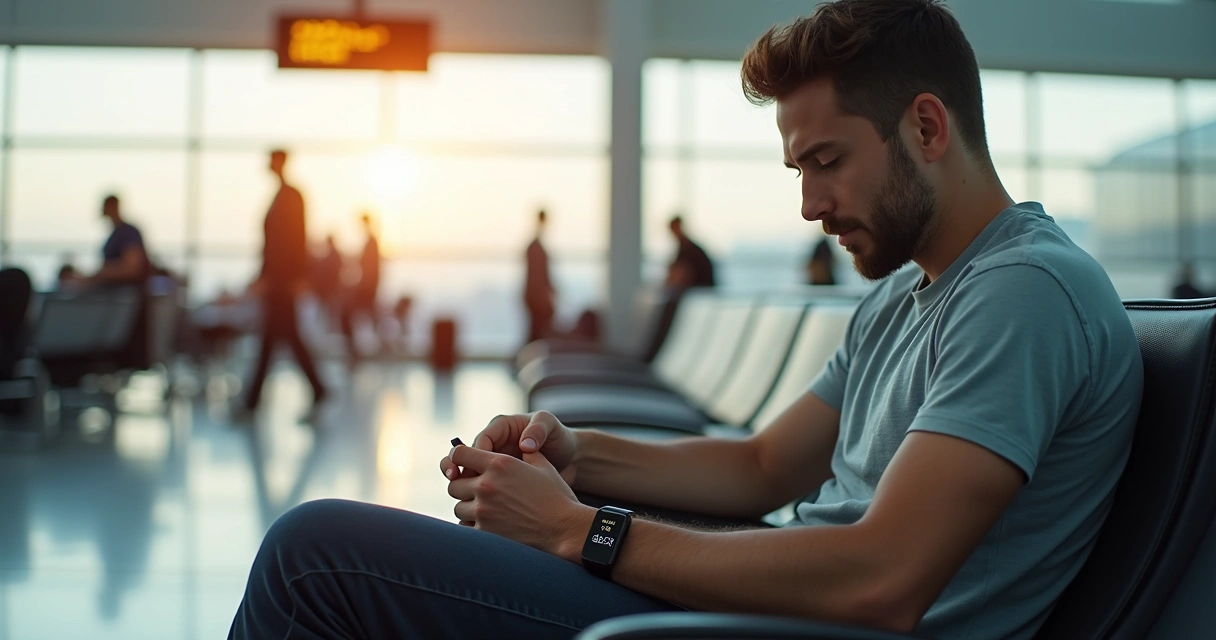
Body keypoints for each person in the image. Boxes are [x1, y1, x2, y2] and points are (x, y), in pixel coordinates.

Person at [227, 2, 1144, 639]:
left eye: (827, 160)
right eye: (798, 171)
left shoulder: (1023, 294)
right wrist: (580, 455)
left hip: (797, 629)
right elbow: (759, 468)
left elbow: (881, 581)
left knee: (313, 561)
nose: (811, 205)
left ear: (928, 128)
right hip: (764, 609)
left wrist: (577, 531)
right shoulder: (909, 296)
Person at [240, 149, 328, 418]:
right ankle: (316, 390)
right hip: (278, 280)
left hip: (282, 282)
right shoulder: (282, 196)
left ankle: (252, 403)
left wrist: (291, 278)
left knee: (275, 339)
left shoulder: (290, 196)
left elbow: (293, 240)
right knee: (282, 337)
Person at [63, 195, 149, 288]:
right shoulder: (116, 233)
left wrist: (101, 274)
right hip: (115, 292)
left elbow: (131, 268)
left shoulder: (128, 232)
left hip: (126, 294)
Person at [340, 213, 382, 365]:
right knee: (369, 316)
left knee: (347, 314)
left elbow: (369, 268)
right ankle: (359, 349)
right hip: (367, 287)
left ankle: (354, 351)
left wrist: (362, 286)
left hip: (367, 288)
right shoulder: (371, 241)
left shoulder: (371, 242)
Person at [524, 208, 557, 344]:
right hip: (536, 297)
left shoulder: (535, 245)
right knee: (536, 333)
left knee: (536, 332)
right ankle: (523, 360)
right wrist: (542, 297)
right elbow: (537, 276)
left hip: (535, 295)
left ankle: (524, 360)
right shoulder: (535, 246)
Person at [665, 215, 716, 289]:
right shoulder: (685, 248)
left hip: (699, 292)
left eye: (675, 228)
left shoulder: (689, 249)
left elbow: (682, 274)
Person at [312, 235, 343, 328]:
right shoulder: (333, 255)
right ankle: (325, 325)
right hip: (330, 287)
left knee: (329, 307)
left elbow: (331, 272)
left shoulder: (332, 255)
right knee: (328, 307)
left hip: (330, 287)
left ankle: (327, 325)